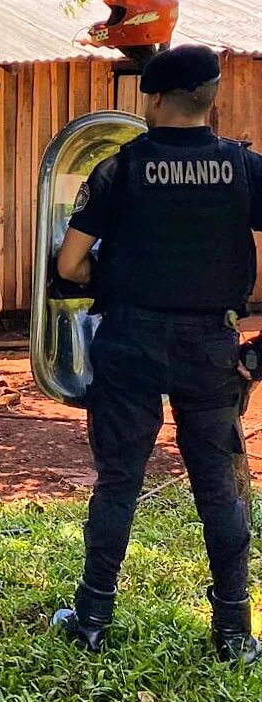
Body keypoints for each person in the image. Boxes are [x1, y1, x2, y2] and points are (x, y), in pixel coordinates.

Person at [51, 45, 262, 663]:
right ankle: (233, 633)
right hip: (210, 348)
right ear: (212, 96)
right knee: (219, 490)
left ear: (152, 98)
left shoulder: (120, 169)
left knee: (118, 482)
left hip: (129, 343)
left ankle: (91, 617)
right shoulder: (244, 169)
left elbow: (67, 263)